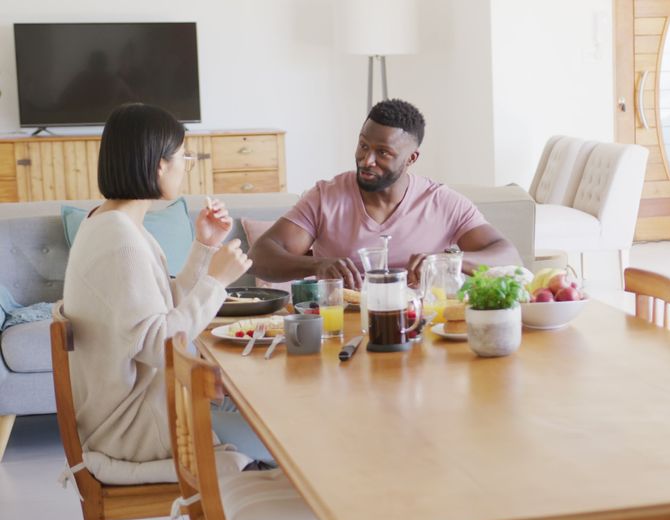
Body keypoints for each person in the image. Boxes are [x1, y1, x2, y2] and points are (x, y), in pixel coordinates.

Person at [63, 103, 269, 465]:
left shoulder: (113, 223)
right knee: (279, 426)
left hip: (144, 406)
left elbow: (161, 309)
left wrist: (204, 246)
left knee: (260, 403)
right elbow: (160, 345)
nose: (185, 166)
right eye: (183, 157)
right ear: (160, 163)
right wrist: (217, 281)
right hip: (136, 426)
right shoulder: (120, 239)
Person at [249, 99, 521, 289]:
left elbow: (508, 257)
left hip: (418, 329)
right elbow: (259, 257)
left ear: (411, 158)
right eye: (363, 145)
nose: (367, 160)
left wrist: (445, 262)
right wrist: (317, 265)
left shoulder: (442, 202)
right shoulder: (325, 197)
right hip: (342, 329)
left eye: (383, 152)